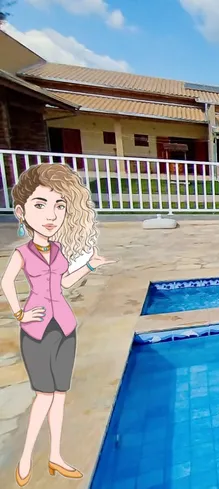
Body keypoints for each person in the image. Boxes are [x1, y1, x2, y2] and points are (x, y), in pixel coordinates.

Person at [1, 163, 114, 486]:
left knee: (60, 395)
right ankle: (25, 459)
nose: (51, 214)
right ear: (22, 212)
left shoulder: (59, 249)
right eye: (41, 205)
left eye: (59, 206)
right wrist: (20, 313)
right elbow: (7, 283)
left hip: (64, 326)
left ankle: (55, 456)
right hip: (37, 330)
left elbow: (63, 284)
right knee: (44, 396)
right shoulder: (23, 253)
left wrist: (90, 265)